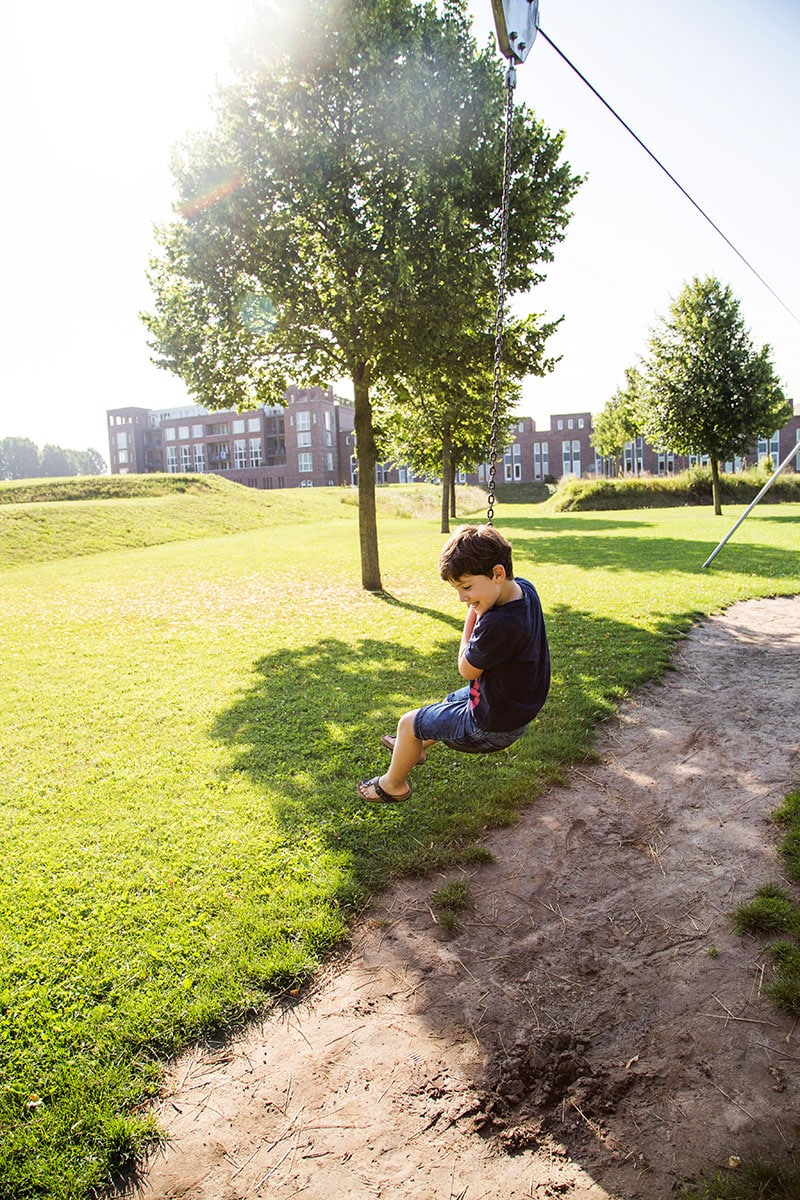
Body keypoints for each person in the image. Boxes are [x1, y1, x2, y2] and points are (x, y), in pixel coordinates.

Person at [357, 524, 550, 803]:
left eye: (467, 587)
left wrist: (471, 619)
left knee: (408, 723)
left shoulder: (497, 623)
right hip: (517, 708)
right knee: (447, 703)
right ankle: (415, 748)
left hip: (491, 727)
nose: (462, 598)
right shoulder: (525, 589)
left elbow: (466, 668)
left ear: (497, 573)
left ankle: (392, 785)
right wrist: (479, 601)